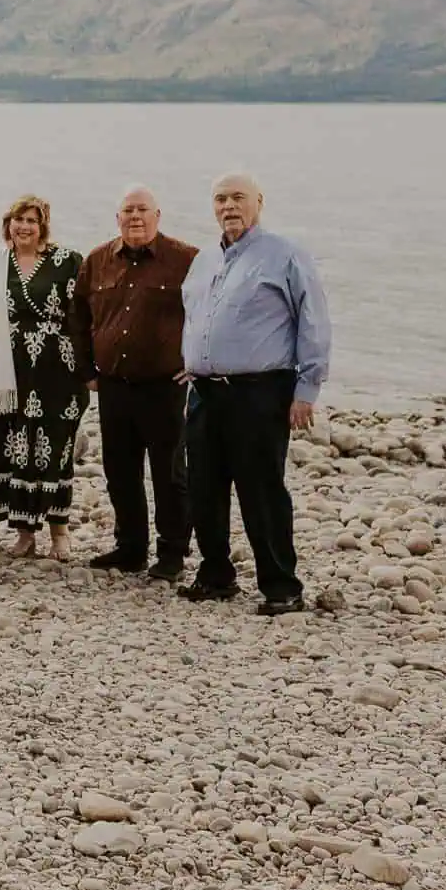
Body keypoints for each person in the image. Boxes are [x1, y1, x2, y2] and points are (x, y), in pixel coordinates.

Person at [177, 172, 332, 617]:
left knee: (261, 491)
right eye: (220, 199)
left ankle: (281, 586)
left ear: (258, 202)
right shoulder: (204, 259)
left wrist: (307, 388)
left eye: (238, 198)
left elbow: (313, 322)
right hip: (204, 392)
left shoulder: (285, 255)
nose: (229, 206)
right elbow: (194, 316)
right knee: (204, 488)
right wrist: (189, 358)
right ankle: (216, 575)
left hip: (259, 393)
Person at [0, 196, 91, 560]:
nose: (24, 226)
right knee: (15, 447)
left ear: (43, 226)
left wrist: (89, 368)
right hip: (5, 373)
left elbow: (83, 316)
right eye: (18, 219)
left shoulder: (67, 262)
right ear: (8, 224)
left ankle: (59, 532)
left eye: (32, 220)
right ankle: (25, 533)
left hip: (56, 374)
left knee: (54, 449)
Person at [80, 186, 198, 579]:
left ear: (157, 215)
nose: (135, 216)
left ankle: (172, 553)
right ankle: (130, 548)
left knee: (169, 473)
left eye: (142, 209)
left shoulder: (186, 259)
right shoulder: (97, 260)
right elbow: (78, 316)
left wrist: (197, 362)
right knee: (119, 471)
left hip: (164, 385)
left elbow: (211, 312)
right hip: (113, 385)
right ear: (117, 218)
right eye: (128, 210)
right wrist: (87, 371)